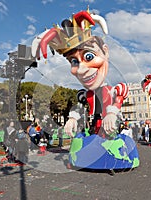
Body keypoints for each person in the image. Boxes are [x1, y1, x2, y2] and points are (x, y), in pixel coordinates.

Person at [32, 8, 140, 170]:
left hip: (108, 131)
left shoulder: (113, 89)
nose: (81, 70)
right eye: (74, 62)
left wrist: (111, 113)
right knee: (84, 141)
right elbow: (80, 107)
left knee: (110, 143)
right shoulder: (84, 94)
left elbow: (119, 95)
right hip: (94, 129)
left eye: (89, 57)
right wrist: (73, 119)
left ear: (105, 52)